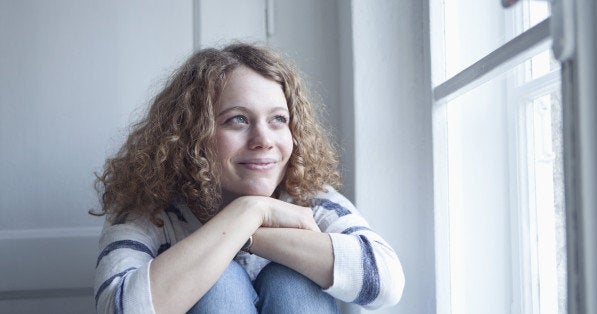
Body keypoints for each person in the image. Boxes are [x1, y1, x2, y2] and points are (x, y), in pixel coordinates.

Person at [92, 43, 404, 313]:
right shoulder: (151, 208)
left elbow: (385, 283)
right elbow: (120, 307)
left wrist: (248, 234)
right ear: (191, 134)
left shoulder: (306, 196)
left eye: (278, 120)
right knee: (220, 281)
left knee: (291, 281)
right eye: (238, 120)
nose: (264, 140)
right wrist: (252, 211)